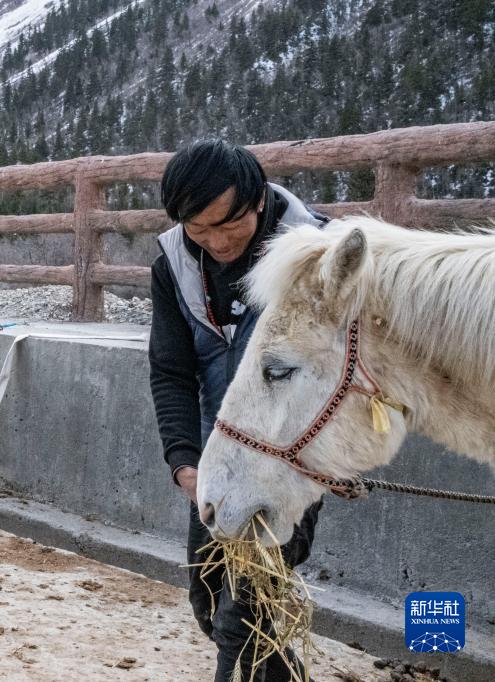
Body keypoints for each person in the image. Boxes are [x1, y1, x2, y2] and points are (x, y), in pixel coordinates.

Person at [148, 139, 327, 681]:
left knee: (243, 613)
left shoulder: (315, 258)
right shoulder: (174, 267)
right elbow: (171, 371)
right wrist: (184, 460)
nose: (216, 241)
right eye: (198, 229)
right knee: (207, 597)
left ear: (256, 202)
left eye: (229, 225)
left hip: (289, 461)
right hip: (217, 455)